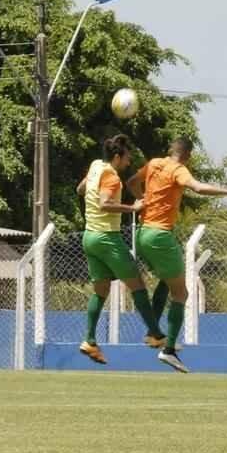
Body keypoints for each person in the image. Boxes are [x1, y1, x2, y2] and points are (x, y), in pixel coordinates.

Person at [127, 137, 227, 372]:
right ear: (188, 155)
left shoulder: (154, 164)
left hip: (142, 234)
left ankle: (154, 335)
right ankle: (169, 350)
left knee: (167, 280)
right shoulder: (178, 170)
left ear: (170, 149)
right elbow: (198, 187)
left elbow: (132, 181)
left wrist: (142, 200)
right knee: (181, 292)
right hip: (160, 236)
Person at [75, 135, 166, 365]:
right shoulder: (112, 177)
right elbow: (104, 203)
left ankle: (89, 341)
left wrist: (95, 192)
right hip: (107, 238)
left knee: (101, 290)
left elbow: (80, 189)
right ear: (117, 156)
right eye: (127, 158)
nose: (128, 163)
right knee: (138, 284)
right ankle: (155, 334)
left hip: (89, 236)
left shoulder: (96, 166)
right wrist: (132, 207)